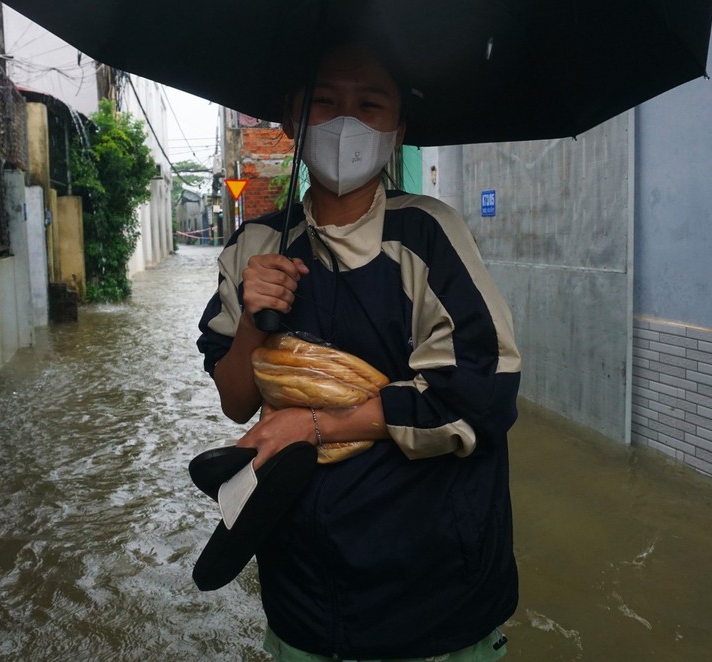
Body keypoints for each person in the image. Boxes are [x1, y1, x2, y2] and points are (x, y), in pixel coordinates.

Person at [197, 42, 522, 661]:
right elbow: (238, 404)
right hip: (305, 594)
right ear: (292, 120)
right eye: (324, 102)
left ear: (398, 130)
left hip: (435, 593)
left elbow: (482, 394)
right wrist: (250, 326)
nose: (346, 122)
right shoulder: (256, 244)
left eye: (370, 104)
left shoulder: (427, 234)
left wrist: (315, 424)